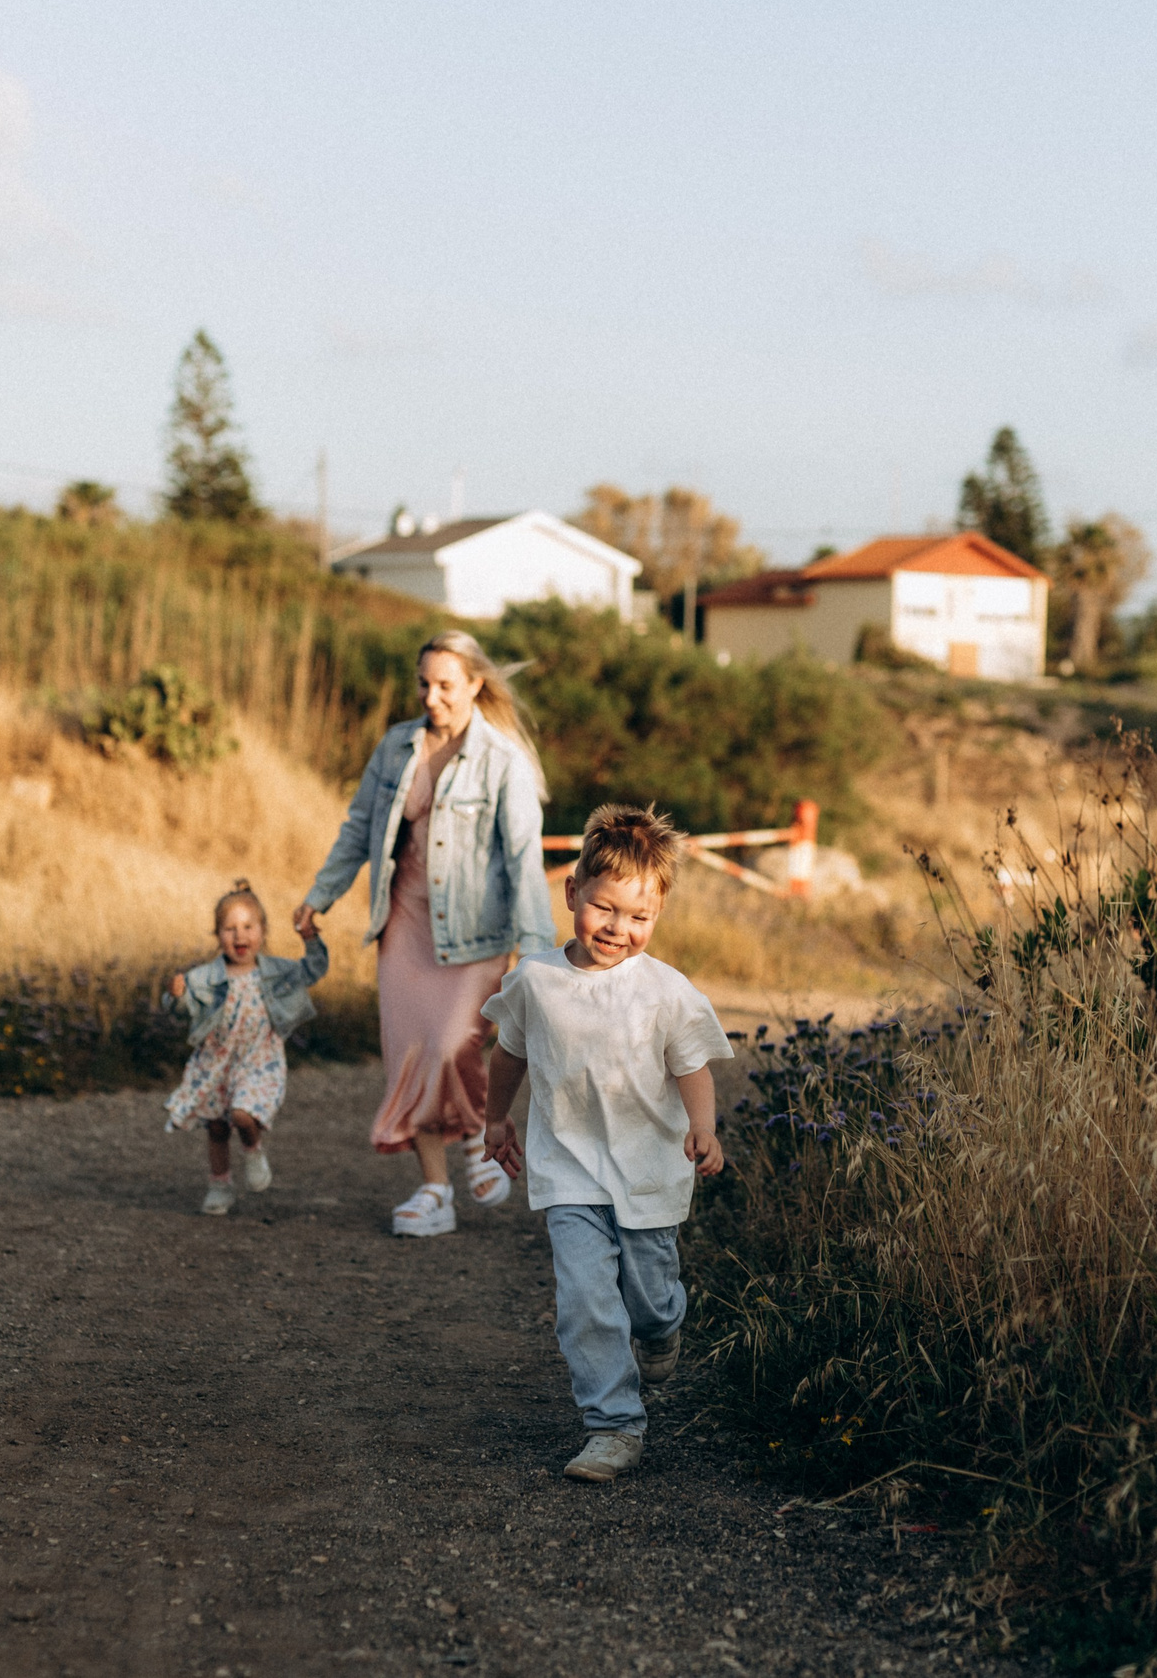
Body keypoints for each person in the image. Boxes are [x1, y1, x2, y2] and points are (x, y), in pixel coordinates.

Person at [480, 803, 733, 1482]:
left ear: (658, 916)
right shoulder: (536, 980)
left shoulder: (665, 992)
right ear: (572, 894)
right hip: (569, 1169)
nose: (619, 929)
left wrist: (702, 1127)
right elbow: (508, 1053)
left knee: (648, 1297)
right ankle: (613, 1425)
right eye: (605, 908)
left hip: (650, 1167)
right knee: (586, 1297)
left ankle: (662, 1329)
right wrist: (496, 1117)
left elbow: (692, 1067)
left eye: (639, 917)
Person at [294, 631, 553, 1238]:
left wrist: (538, 952)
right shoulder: (396, 747)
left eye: (445, 685)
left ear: (474, 685)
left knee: (451, 1047)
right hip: (403, 925)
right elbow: (359, 827)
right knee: (411, 1057)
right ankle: (434, 1190)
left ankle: (473, 1137)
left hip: (475, 933)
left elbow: (522, 857)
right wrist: (319, 895)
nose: (431, 696)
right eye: (423, 683)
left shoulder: (502, 760)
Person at [162, 881, 330, 1217]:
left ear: (263, 931)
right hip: (216, 1062)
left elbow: (314, 970)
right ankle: (220, 1185)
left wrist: (311, 940)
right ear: (218, 935)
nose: (240, 936)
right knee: (217, 1127)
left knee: (241, 1114)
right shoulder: (205, 978)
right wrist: (177, 995)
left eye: (248, 927)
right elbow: (182, 1011)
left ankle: (253, 1149)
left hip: (259, 1060)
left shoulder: (277, 973)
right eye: (230, 929)